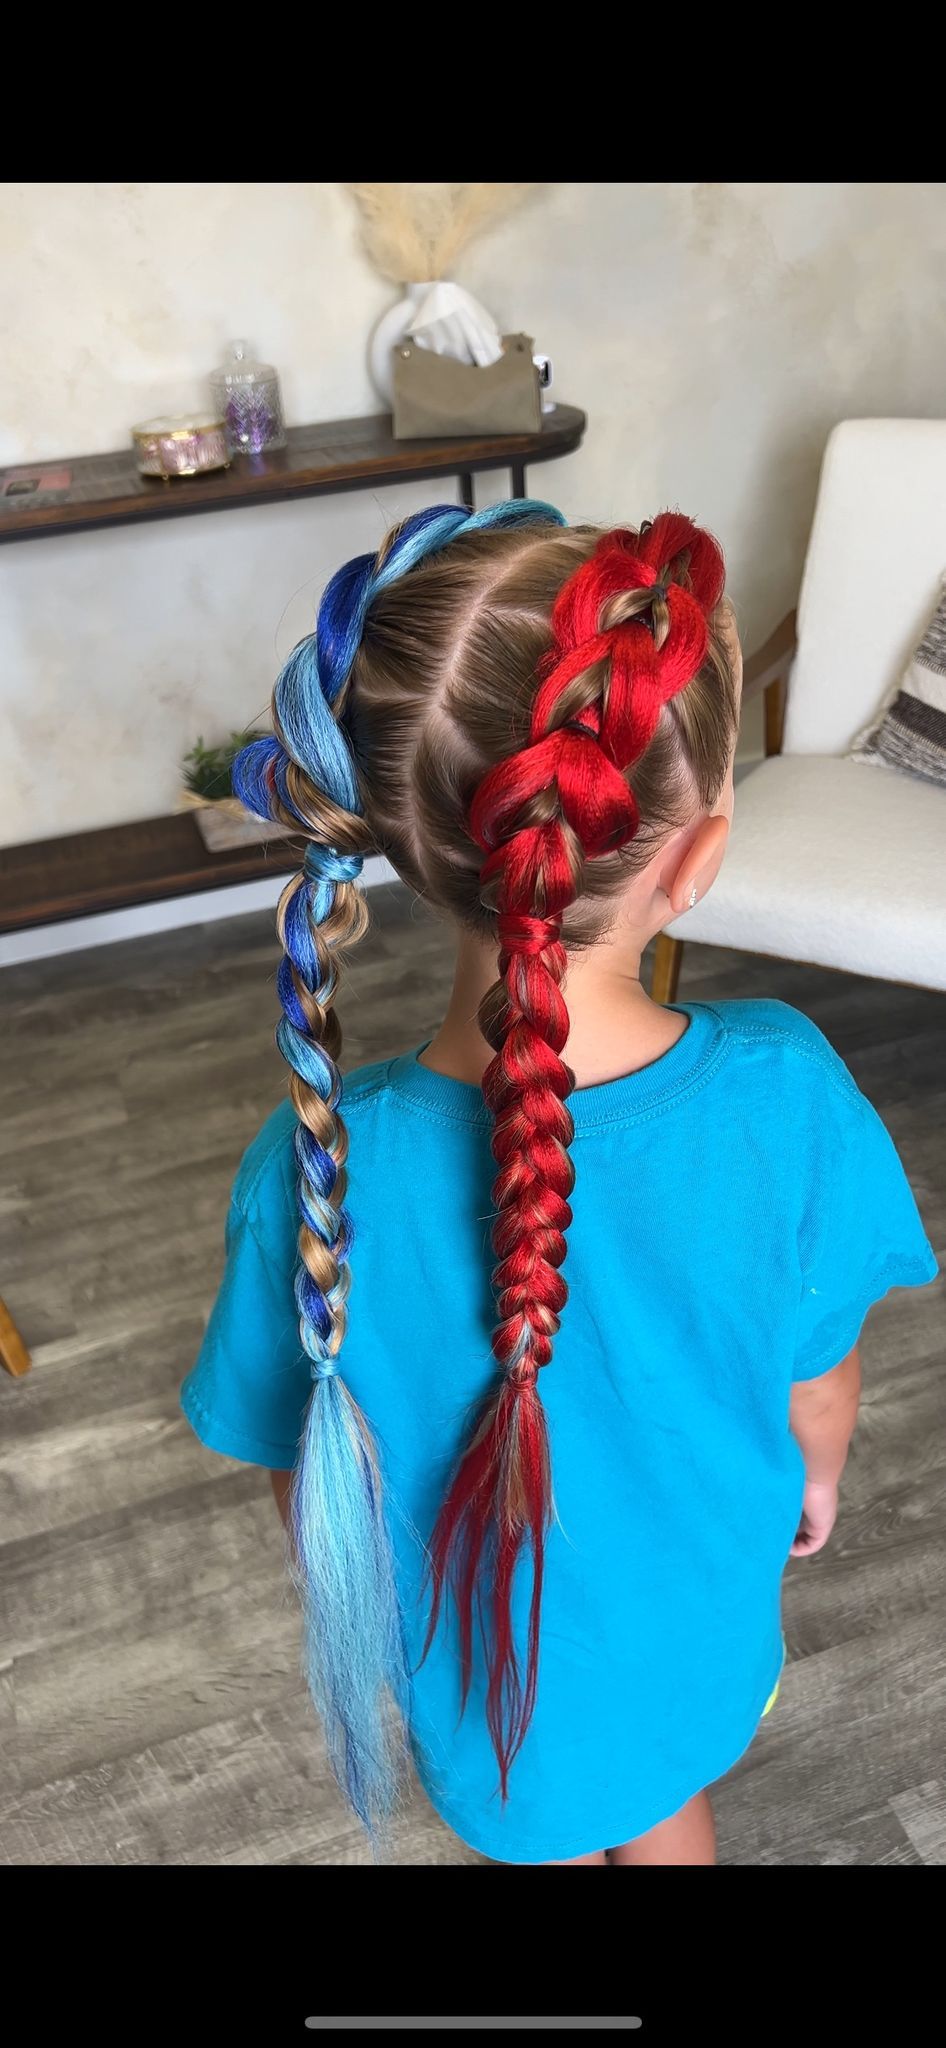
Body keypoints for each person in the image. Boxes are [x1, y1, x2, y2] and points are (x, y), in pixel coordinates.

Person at [180, 502, 937, 1865]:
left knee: (552, 1817)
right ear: (696, 862)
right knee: (658, 1803)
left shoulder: (312, 1163)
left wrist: (367, 1580)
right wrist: (814, 1482)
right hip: (689, 1615)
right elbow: (815, 1378)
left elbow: (303, 1470)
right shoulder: (784, 1095)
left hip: (469, 1659)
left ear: (409, 857)